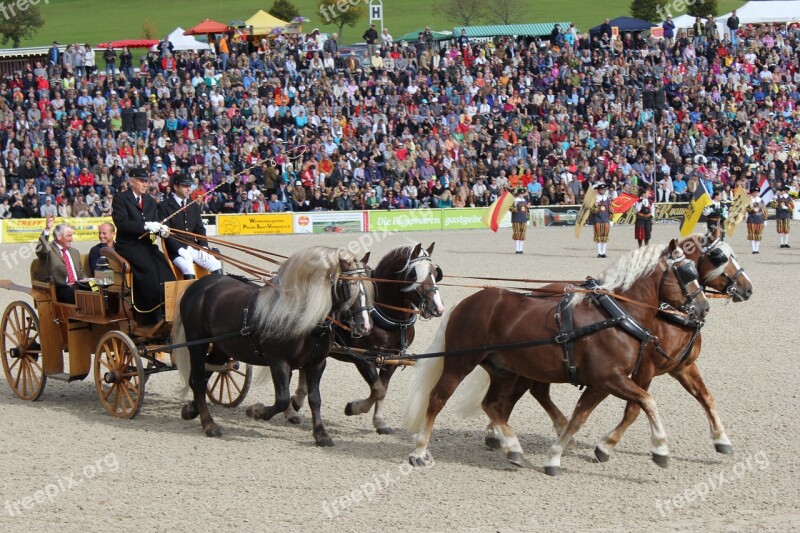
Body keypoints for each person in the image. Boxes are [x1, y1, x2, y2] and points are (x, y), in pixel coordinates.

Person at [112, 168, 176, 325]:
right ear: (132, 181)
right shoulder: (121, 198)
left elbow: (156, 222)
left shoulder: (150, 201)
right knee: (148, 271)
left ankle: (168, 308)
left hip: (147, 245)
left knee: (165, 269)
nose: (145, 184)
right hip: (128, 245)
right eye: (141, 181)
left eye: (146, 181)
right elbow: (121, 222)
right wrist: (145, 226)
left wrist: (162, 229)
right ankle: (151, 312)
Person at [158, 172, 222, 279]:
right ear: (175, 187)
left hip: (194, 247)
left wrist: (204, 245)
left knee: (215, 264)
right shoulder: (164, 206)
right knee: (188, 267)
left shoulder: (194, 205)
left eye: (189, 186)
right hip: (176, 251)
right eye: (185, 186)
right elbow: (166, 233)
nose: (188, 189)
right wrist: (179, 249)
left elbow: (200, 228)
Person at [35, 215, 85, 304]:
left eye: (71, 236)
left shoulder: (74, 252)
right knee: (73, 293)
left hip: (78, 285)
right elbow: (40, 249)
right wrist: (47, 229)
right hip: (60, 288)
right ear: (58, 237)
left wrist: (91, 284)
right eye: (68, 236)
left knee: (97, 290)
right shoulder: (49, 250)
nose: (71, 239)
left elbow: (81, 272)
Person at [591, 182, 611, 258]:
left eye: (604, 189)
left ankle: (603, 252)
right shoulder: (595, 199)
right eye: (601, 189)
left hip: (606, 219)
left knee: (605, 236)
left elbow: (610, 209)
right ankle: (599, 252)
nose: (603, 191)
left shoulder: (607, 199)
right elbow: (592, 211)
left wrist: (611, 219)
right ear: (598, 190)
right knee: (598, 236)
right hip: (598, 220)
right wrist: (596, 207)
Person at [745, 186, 766, 254]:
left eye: (757, 192)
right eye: (754, 192)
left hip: (760, 218)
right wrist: (751, 209)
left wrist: (765, 219)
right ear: (752, 193)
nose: (756, 194)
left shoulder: (761, 200)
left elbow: (764, 210)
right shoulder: (749, 200)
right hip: (751, 218)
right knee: (752, 233)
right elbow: (746, 209)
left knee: (758, 234)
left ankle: (757, 249)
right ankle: (753, 249)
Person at [509, 188, 529, 254]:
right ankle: (517, 249)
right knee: (516, 233)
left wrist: (527, 218)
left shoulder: (525, 201)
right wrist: (516, 208)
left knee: (522, 233)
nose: (522, 195)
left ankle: (521, 249)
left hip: (523, 218)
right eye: (520, 194)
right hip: (516, 218)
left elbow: (527, 210)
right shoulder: (514, 201)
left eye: (522, 194)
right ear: (518, 194)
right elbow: (510, 208)